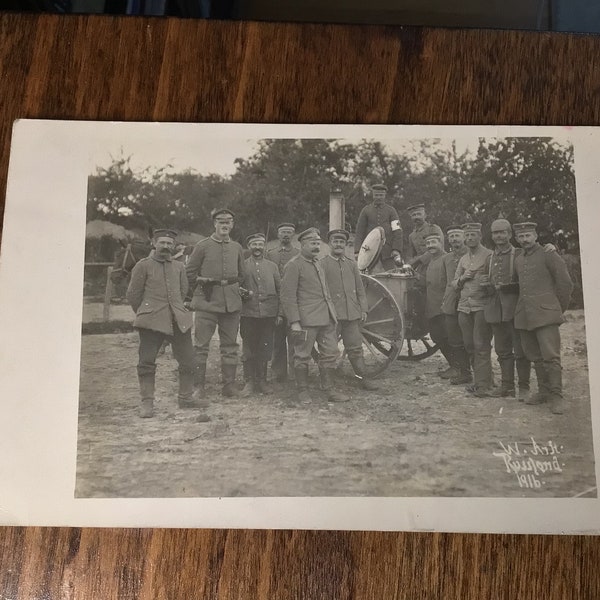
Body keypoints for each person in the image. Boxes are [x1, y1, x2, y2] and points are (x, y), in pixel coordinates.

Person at [126, 228, 207, 419]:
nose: (165, 246)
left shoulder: (179, 267)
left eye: (169, 243)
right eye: (162, 242)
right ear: (154, 244)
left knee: (188, 360)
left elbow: (183, 290)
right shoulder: (142, 265)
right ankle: (147, 403)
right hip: (151, 322)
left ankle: (186, 398)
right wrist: (146, 313)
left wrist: (177, 311)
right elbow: (133, 295)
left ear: (173, 246)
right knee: (146, 361)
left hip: (178, 320)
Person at [280, 227, 347, 403]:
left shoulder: (318, 263)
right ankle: (302, 391)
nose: (316, 246)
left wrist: (332, 315)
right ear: (302, 244)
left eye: (318, 243)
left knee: (330, 353)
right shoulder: (294, 265)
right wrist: (294, 322)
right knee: (302, 355)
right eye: (312, 243)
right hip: (306, 320)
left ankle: (329, 389)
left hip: (326, 317)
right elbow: (287, 297)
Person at [185, 208, 247, 399]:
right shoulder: (202, 246)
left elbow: (242, 275)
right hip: (207, 302)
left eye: (228, 221)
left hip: (231, 303)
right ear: (214, 224)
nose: (225, 225)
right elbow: (190, 272)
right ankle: (198, 387)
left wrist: (233, 290)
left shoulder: (236, 247)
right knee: (201, 346)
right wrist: (203, 286)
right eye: (221, 221)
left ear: (232, 224)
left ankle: (229, 386)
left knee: (230, 346)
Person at [513, 222, 573, 414]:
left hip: (546, 314)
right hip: (525, 315)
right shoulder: (519, 259)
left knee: (551, 357)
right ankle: (543, 391)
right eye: (521, 236)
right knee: (535, 356)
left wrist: (556, 309)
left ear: (536, 235)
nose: (525, 240)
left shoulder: (548, 254)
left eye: (528, 235)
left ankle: (557, 396)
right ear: (516, 239)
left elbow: (565, 283)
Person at [480, 219, 531, 400]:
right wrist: (486, 286)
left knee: (521, 351)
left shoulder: (519, 254)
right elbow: (487, 287)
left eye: (502, 232)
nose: (499, 236)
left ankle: (524, 387)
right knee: (502, 351)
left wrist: (506, 287)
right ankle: (507, 386)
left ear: (510, 234)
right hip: (496, 311)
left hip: (515, 310)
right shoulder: (490, 258)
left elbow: (526, 283)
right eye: (495, 233)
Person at [321, 229, 378, 391]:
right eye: (335, 241)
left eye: (341, 242)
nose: (338, 244)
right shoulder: (322, 264)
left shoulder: (352, 264)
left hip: (351, 314)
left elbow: (360, 289)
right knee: (330, 350)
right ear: (330, 244)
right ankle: (328, 383)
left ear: (345, 245)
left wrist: (363, 309)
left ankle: (363, 379)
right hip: (332, 315)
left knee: (355, 348)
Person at [452, 222, 494, 397]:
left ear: (480, 236)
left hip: (481, 307)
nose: (469, 238)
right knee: (469, 345)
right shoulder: (463, 259)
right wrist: (462, 278)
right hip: (464, 307)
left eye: (473, 235)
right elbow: (454, 284)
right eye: (467, 236)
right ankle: (485, 379)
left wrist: (488, 283)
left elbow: (495, 282)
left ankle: (483, 385)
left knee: (481, 345)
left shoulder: (489, 256)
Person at [240, 233, 281, 395]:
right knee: (249, 347)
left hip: (268, 314)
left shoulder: (272, 267)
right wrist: (240, 291)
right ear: (249, 247)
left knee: (265, 347)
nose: (257, 247)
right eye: (254, 244)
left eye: (260, 244)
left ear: (265, 247)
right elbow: (235, 286)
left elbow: (280, 291)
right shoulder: (242, 265)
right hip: (248, 314)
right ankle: (249, 381)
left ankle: (262, 381)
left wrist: (280, 314)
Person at [265, 223, 300, 382]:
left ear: (293, 235)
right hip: (275, 303)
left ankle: (295, 374)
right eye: (283, 232)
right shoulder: (270, 254)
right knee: (277, 341)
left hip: (294, 303)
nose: (286, 235)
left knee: (295, 340)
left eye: (289, 232)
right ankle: (279, 375)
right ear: (278, 235)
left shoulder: (299, 254)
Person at [440, 226, 471, 384]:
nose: (454, 239)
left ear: (464, 237)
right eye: (451, 237)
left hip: (469, 301)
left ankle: (481, 373)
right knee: (454, 337)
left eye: (457, 236)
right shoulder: (446, 258)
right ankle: (462, 370)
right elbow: (444, 282)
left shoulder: (471, 254)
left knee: (471, 338)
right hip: (451, 301)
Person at [423, 232, 456, 378]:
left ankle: (457, 367)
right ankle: (454, 365)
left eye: (433, 242)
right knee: (438, 337)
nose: (430, 246)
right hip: (433, 306)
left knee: (449, 337)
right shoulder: (432, 260)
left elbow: (451, 283)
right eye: (428, 243)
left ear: (441, 243)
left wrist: (447, 304)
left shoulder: (446, 258)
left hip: (443, 306)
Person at [353, 183, 403, 271]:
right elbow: (359, 232)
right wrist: (357, 251)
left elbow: (397, 231)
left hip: (387, 251)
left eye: (381, 195)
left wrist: (396, 249)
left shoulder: (391, 211)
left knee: (391, 274)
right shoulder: (366, 210)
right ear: (373, 195)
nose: (379, 197)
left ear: (384, 196)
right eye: (376, 195)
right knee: (367, 275)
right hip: (369, 250)